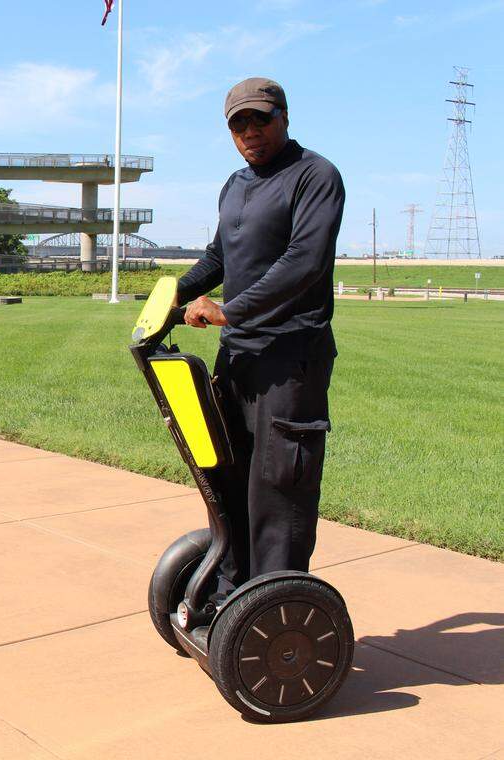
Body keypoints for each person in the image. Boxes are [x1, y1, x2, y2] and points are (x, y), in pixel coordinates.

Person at [175, 77, 345, 601]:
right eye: (238, 123)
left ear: (284, 117)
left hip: (290, 359)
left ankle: (274, 606)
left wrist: (229, 310)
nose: (250, 130)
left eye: (260, 118)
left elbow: (304, 263)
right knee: (228, 476)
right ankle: (231, 592)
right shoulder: (235, 185)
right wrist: (169, 295)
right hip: (239, 358)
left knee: (279, 489)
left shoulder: (315, 176)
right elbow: (219, 258)